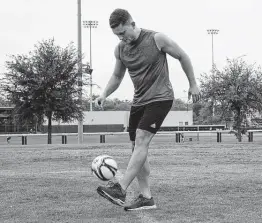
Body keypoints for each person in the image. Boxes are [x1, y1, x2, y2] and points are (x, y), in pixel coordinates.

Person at [95, 8, 201, 211]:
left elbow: (183, 56)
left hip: (161, 98)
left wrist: (193, 84)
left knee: (142, 139)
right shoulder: (120, 49)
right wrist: (103, 95)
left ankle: (120, 188)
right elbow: (117, 77)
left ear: (132, 24)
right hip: (139, 102)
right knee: (137, 148)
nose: (121, 38)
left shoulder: (156, 39)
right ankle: (146, 198)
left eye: (123, 32)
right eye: (117, 35)